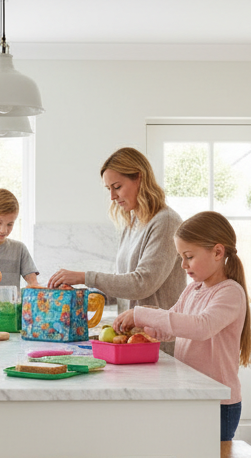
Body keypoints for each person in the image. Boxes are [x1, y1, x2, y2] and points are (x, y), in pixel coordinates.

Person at [114, 210, 251, 458]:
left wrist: (142, 310)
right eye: (181, 257)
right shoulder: (194, 289)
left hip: (219, 405)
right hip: (197, 400)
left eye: (189, 256)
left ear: (218, 251)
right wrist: (145, 328)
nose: (184, 265)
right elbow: (175, 322)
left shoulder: (229, 292)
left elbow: (200, 327)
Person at [48, 147, 186, 354]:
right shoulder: (132, 223)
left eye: (117, 187)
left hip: (158, 345)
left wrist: (84, 276)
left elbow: (142, 284)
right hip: (130, 341)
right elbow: (124, 287)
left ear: (139, 178)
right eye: (108, 189)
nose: (112, 196)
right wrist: (81, 296)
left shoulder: (165, 221)